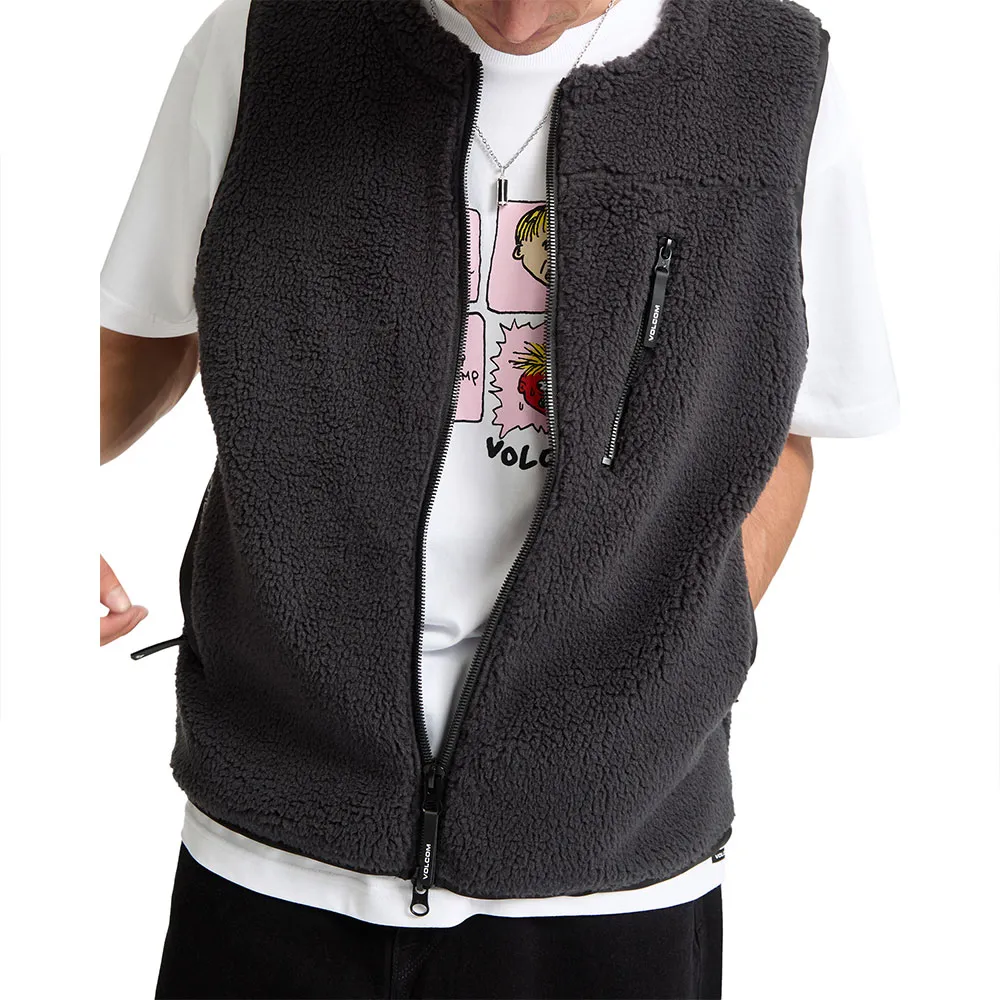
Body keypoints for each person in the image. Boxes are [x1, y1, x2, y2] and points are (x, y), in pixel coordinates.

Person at [99, 0, 900, 997]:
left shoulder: (774, 76)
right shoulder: (271, 40)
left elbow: (778, 423)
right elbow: (141, 335)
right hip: (273, 837)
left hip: (608, 877)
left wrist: (663, 661)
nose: (517, 19)